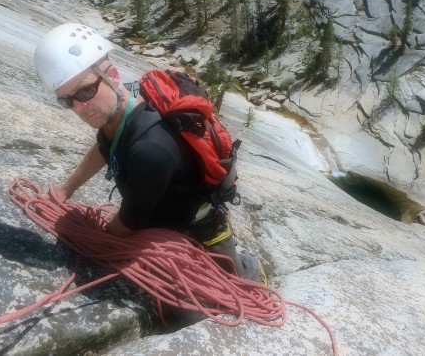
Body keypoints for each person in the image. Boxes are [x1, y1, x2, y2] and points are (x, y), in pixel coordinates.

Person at [34, 23, 263, 283]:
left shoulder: (150, 149)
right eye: (66, 100)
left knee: (229, 285)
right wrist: (67, 190)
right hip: (158, 206)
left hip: (195, 225)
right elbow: (104, 144)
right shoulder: (128, 94)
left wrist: (98, 242)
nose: (80, 107)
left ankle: (251, 268)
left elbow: (129, 222)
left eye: (85, 91)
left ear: (113, 75)